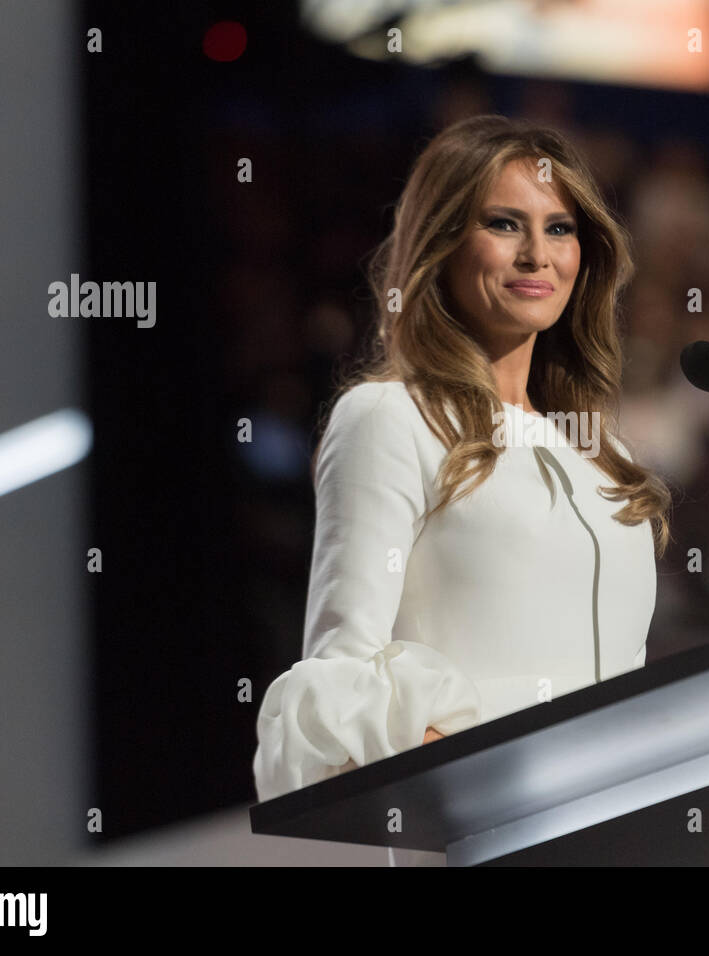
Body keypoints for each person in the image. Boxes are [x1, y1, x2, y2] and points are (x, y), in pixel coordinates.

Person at [252, 114, 672, 862]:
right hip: (477, 839)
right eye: (504, 224)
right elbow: (339, 687)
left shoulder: (602, 452)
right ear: (444, 244)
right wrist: (498, 784)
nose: (537, 253)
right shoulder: (388, 418)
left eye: (560, 228)